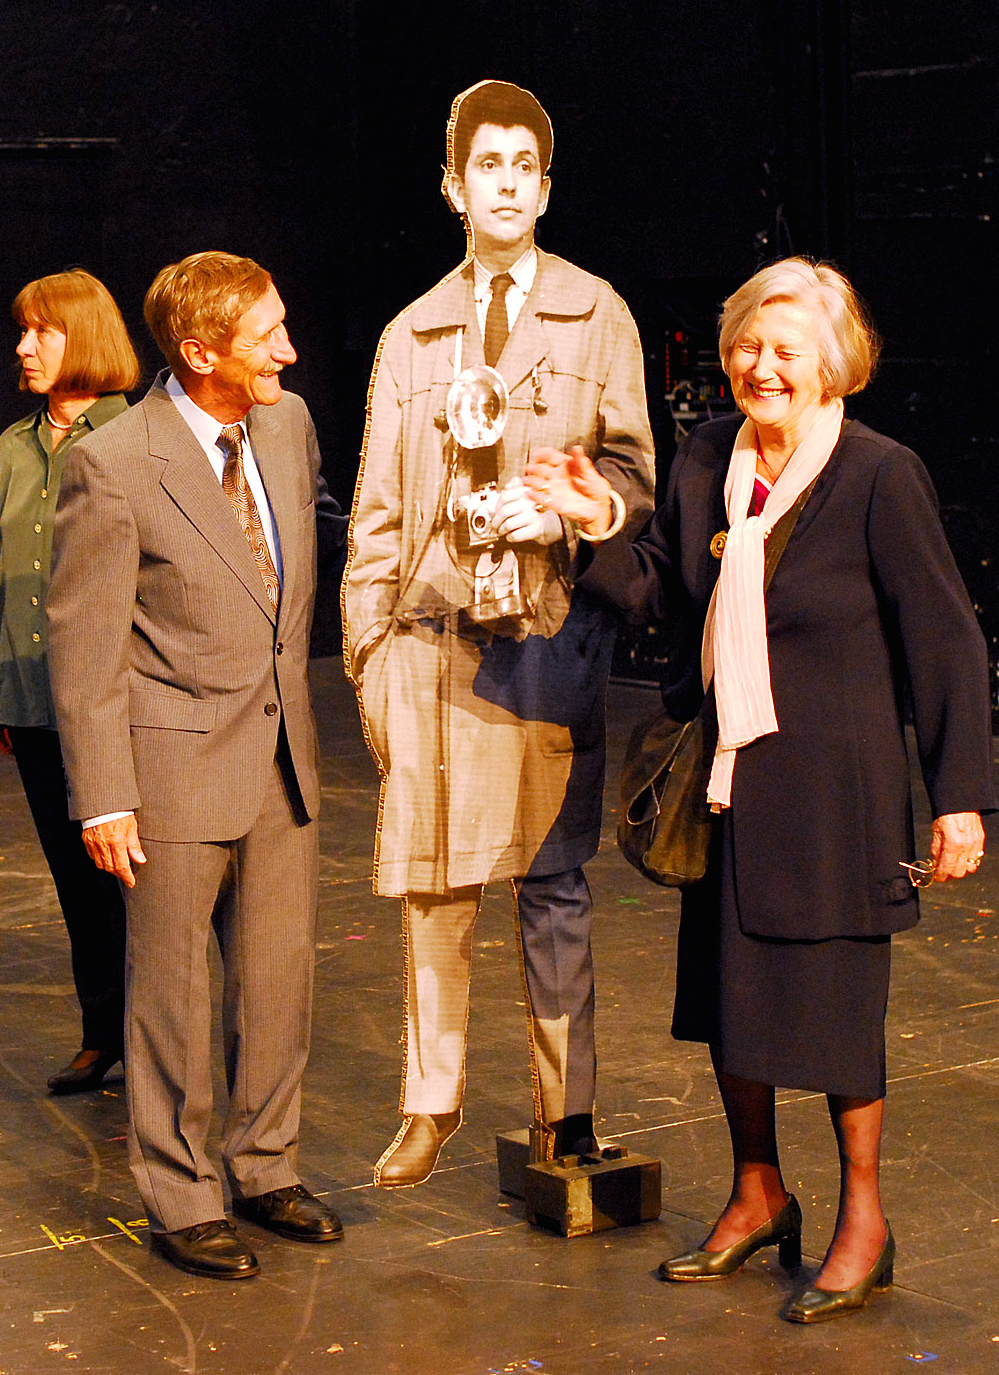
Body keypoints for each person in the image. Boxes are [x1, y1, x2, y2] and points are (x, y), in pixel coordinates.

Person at [529, 256, 995, 1323]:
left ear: (835, 365)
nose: (760, 365)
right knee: (730, 1003)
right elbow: (660, 588)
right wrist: (596, 519)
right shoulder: (708, 455)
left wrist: (958, 795)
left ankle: (864, 1219)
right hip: (728, 783)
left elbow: (945, 638)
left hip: (837, 795)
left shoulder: (879, 475)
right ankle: (758, 1191)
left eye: (786, 350)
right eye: (747, 343)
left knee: (836, 1015)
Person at [342, 80, 655, 1188]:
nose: (508, 184)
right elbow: (376, 514)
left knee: (553, 883)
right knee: (434, 886)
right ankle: (431, 1101)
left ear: (547, 188)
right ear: (453, 186)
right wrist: (369, 659)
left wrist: (567, 513)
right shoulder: (411, 333)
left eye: (527, 166)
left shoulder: (597, 314)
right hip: (430, 649)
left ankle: (565, 1113)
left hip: (544, 640)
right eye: (489, 165)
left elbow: (634, 478)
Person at [47, 251, 347, 1280]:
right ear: (200, 351)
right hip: (171, 767)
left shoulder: (288, 425)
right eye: (268, 336)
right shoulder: (113, 463)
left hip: (281, 758)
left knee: (275, 982)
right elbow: (85, 648)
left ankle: (266, 1167)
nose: (289, 352)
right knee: (172, 995)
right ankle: (182, 1196)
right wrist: (104, 797)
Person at [0, 269, 139, 1095]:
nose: (23, 346)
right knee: (75, 879)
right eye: (23, 330)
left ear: (86, 337)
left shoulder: (138, 436)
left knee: (140, 882)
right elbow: (12, 571)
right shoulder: (15, 446)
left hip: (119, 699)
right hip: (34, 697)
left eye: (41, 330)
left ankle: (165, 1040)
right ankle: (103, 1032)